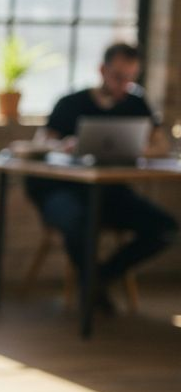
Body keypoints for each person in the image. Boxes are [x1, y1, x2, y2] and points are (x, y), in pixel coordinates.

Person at [30, 42, 178, 311]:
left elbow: (162, 145)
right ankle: (93, 285)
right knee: (78, 223)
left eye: (131, 78)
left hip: (111, 192)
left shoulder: (136, 103)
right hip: (64, 190)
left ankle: (101, 277)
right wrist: (64, 145)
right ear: (102, 70)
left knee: (166, 229)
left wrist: (139, 148)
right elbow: (41, 143)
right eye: (119, 77)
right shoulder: (71, 103)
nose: (125, 85)